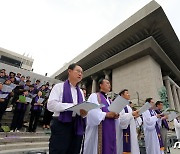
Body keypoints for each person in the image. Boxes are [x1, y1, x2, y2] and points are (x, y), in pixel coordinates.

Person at [47, 63, 87, 154]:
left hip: (77, 124)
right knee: (58, 150)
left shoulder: (80, 91)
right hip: (61, 124)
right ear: (69, 71)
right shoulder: (59, 87)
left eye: (82, 72)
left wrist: (84, 113)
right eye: (78, 71)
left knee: (74, 150)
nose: (80, 74)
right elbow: (51, 105)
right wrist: (72, 106)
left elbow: (82, 108)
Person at [83, 78, 119, 154]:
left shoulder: (109, 100)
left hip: (110, 129)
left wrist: (115, 115)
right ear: (100, 85)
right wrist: (106, 114)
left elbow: (112, 112)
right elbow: (92, 112)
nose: (109, 85)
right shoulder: (94, 96)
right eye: (107, 83)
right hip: (99, 130)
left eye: (109, 83)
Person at [116, 89, 140, 154]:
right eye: (127, 93)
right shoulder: (119, 105)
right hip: (123, 133)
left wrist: (134, 117)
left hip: (131, 131)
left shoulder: (128, 107)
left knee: (133, 148)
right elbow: (121, 119)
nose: (129, 94)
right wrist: (132, 114)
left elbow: (129, 117)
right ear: (122, 95)